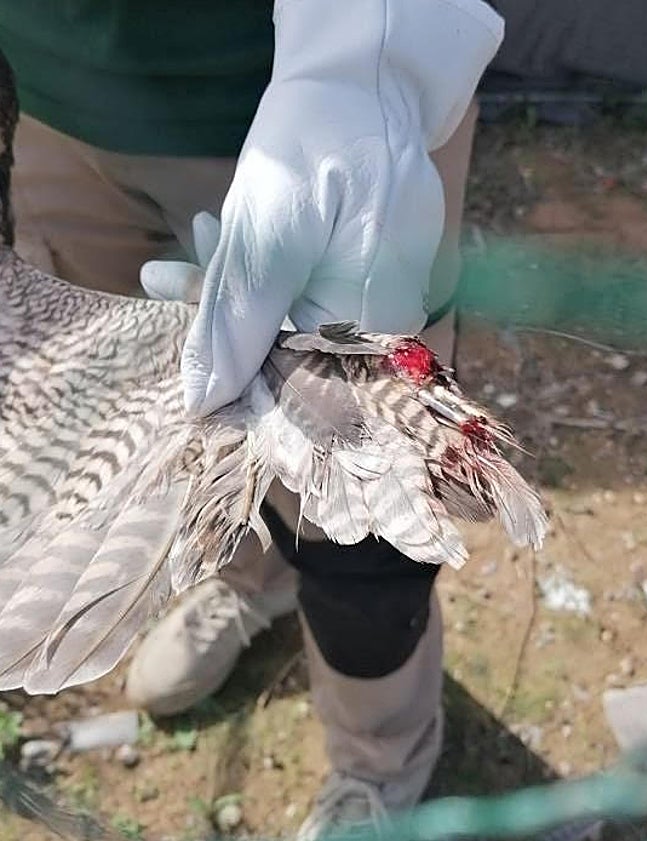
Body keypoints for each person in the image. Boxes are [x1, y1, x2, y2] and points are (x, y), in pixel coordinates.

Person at [0, 1, 504, 837]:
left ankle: (381, 757)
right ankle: (251, 585)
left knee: (359, 499)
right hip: (50, 100)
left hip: (301, 98)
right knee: (167, 434)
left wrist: (365, 65)